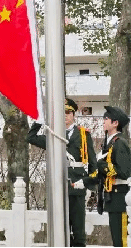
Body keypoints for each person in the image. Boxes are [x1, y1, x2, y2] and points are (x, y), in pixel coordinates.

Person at [26, 98, 98, 247]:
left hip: (77, 186)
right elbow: (30, 137)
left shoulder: (83, 135)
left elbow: (93, 163)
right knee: (60, 230)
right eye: (62, 112)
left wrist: (90, 187)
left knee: (78, 231)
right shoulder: (53, 135)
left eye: (68, 112)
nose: (65, 115)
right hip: (58, 185)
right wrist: (40, 120)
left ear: (73, 115)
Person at [88, 106, 131, 247]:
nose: (103, 121)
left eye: (106, 119)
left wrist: (101, 165)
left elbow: (124, 172)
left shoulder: (120, 143)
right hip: (112, 197)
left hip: (119, 197)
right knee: (116, 240)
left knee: (121, 241)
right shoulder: (109, 143)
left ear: (115, 123)